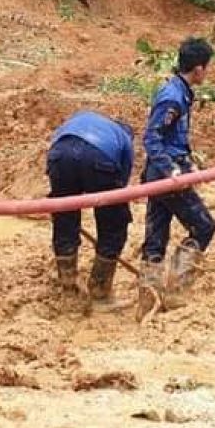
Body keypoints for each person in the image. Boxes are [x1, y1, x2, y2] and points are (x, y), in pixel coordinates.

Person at [137, 37, 215, 315]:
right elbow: (152, 137)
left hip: (160, 176)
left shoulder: (179, 92)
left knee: (156, 235)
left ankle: (148, 300)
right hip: (167, 179)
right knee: (204, 227)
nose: (207, 73)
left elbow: (173, 138)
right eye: (207, 68)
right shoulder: (172, 97)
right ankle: (176, 289)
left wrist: (187, 161)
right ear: (197, 69)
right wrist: (172, 168)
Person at [47, 111, 135, 310]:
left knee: (64, 218)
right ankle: (100, 292)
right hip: (99, 156)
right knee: (114, 221)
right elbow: (120, 188)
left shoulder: (84, 118)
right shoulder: (124, 139)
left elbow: (58, 144)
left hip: (59, 155)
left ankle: (69, 292)